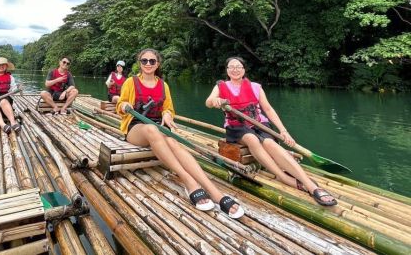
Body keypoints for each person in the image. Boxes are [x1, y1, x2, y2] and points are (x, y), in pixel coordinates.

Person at [117, 48, 245, 218]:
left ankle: (215, 193)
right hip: (137, 128)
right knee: (151, 129)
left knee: (172, 142)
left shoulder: (163, 85)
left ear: (158, 64)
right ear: (139, 63)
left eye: (152, 61)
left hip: (159, 128)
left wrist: (167, 114)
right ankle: (189, 181)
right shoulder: (130, 82)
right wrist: (125, 106)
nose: (148, 64)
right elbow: (121, 105)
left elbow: (168, 109)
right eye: (144, 61)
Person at [206, 56, 337, 207]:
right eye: (231, 67)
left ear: (244, 69)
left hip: (259, 123)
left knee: (269, 143)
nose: (235, 70)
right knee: (252, 139)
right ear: (227, 70)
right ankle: (282, 176)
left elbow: (268, 109)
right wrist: (215, 101)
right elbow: (208, 102)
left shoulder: (255, 86)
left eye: (238, 67)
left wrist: (283, 131)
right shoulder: (220, 86)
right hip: (237, 127)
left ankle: (311, 185)